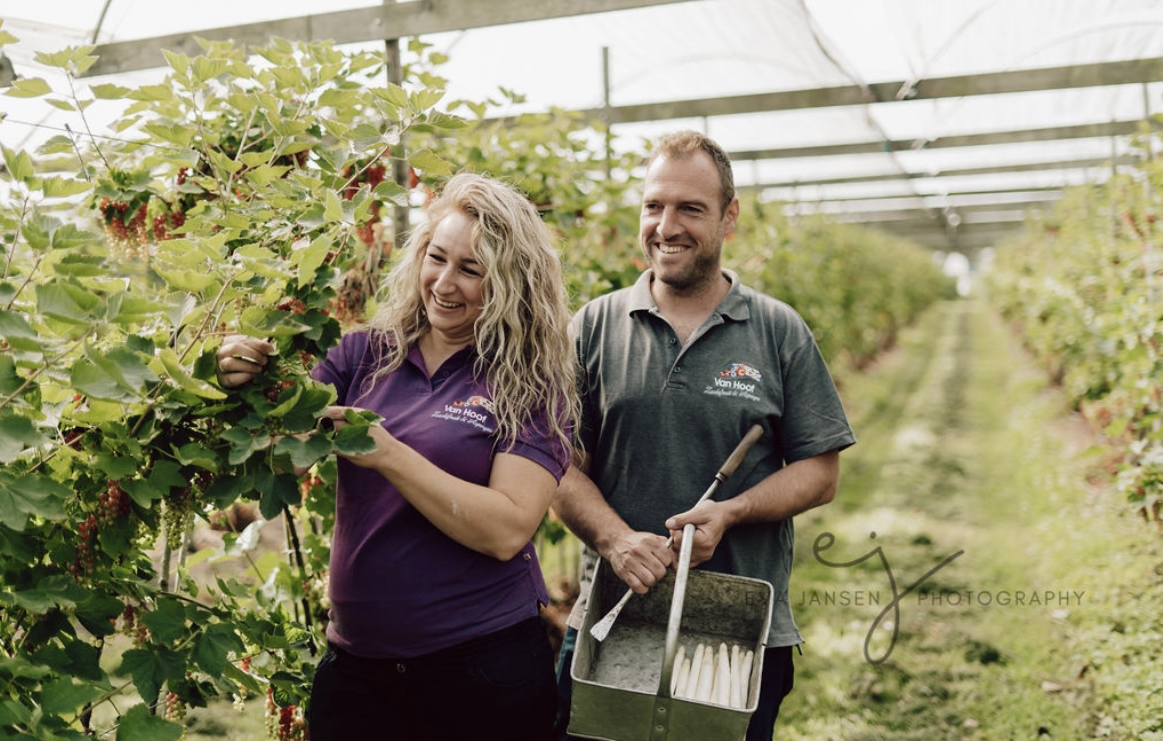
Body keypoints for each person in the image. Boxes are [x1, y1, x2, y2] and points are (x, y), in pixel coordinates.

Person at [216, 172, 577, 741]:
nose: (444, 283)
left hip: (479, 673)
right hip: (358, 671)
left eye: (471, 269)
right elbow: (280, 463)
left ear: (511, 283)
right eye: (437, 258)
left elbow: (507, 529)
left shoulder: (527, 385)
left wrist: (387, 453)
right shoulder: (362, 355)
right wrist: (244, 378)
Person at [552, 130, 856, 740]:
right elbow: (555, 465)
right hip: (611, 623)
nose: (667, 226)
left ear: (729, 216)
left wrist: (732, 512)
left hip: (734, 637)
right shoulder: (593, 327)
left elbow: (820, 473)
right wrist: (616, 540)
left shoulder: (777, 331)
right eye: (654, 206)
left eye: (690, 208)